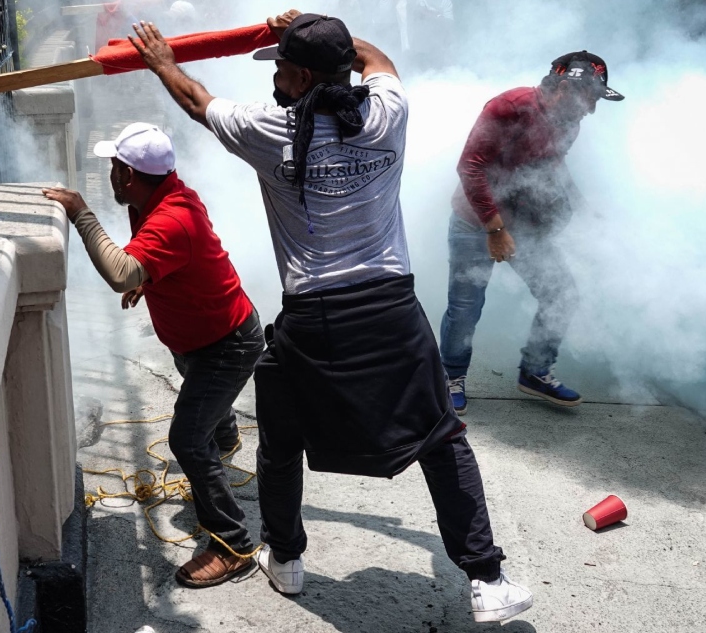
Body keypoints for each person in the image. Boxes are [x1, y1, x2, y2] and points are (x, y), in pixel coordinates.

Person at [127, 10, 533, 622]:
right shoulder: (386, 113)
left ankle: (286, 560)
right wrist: (321, 33)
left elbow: (196, 100)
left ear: (302, 75)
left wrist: (162, 63)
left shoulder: (268, 130)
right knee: (442, 438)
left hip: (314, 315)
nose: (276, 75)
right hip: (391, 308)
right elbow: (381, 64)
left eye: (283, 66)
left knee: (282, 440)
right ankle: (488, 580)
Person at [41, 123, 264, 588]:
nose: (109, 176)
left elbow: (121, 272)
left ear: (126, 175)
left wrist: (82, 213)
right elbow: (163, 261)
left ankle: (233, 544)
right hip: (203, 341)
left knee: (186, 438)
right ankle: (222, 443)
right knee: (201, 401)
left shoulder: (170, 217)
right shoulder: (163, 196)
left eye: (113, 168)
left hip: (227, 344)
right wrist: (152, 276)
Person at [440, 51, 624, 415]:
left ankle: (535, 371)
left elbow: (552, 163)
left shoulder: (570, 121)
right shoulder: (508, 107)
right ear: (565, 88)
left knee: (561, 294)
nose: (591, 109)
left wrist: (582, 207)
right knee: (466, 307)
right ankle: (450, 378)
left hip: (522, 222)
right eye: (589, 97)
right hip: (475, 220)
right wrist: (495, 229)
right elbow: (470, 168)